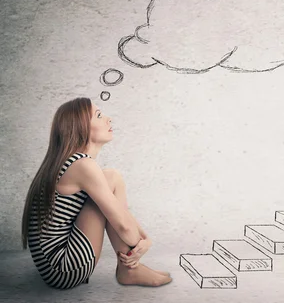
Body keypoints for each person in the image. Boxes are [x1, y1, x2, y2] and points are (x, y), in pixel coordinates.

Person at [21, 97, 172, 289]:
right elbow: (122, 225)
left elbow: (118, 212)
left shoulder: (71, 162)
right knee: (111, 179)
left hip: (52, 265)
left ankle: (131, 269)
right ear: (81, 127)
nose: (109, 119)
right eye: (99, 116)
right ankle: (130, 270)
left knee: (110, 179)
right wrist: (139, 246)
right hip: (63, 268)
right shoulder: (82, 165)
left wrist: (144, 238)